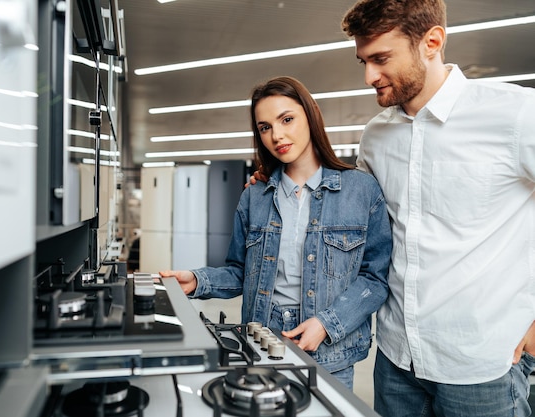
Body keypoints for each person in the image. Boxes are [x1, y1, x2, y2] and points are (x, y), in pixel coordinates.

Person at [338, 0, 535, 415]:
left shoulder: (515, 114)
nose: (368, 76)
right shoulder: (376, 135)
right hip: (395, 360)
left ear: (432, 42)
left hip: (481, 366)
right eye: (363, 60)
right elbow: (353, 210)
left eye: (380, 59)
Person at [160, 75, 392, 389]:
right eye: (265, 127)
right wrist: (199, 280)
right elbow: (242, 271)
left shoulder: (361, 191)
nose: (276, 135)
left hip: (330, 354)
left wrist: (327, 324)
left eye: (286, 119)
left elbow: (375, 278)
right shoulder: (254, 196)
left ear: (310, 116)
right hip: (259, 343)